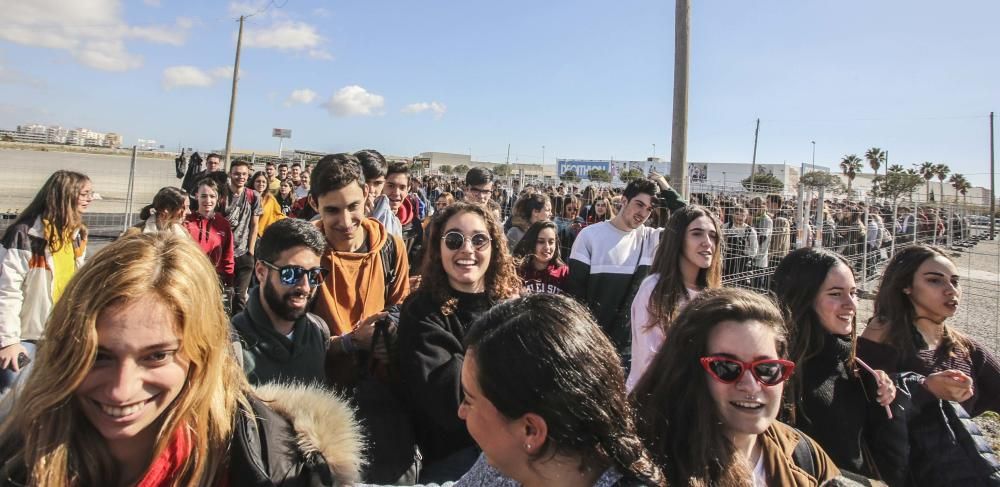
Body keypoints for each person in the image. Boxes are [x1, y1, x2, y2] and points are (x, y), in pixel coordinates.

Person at [0, 233, 364, 486]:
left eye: (157, 356)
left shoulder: (273, 460)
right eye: (99, 355)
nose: (121, 390)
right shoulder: (16, 451)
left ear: (201, 354)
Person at [631, 288, 842, 486]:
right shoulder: (644, 468)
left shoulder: (804, 456)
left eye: (766, 369)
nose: (751, 386)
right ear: (688, 373)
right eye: (727, 368)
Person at [456, 294, 664, 486]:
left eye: (468, 399)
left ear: (531, 430)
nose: (461, 411)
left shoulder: (509, 460)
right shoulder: (502, 464)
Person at [396, 202, 520, 482]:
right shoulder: (421, 310)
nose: (467, 249)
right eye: (454, 240)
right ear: (438, 250)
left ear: (494, 247)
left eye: (479, 240)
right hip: (452, 452)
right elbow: (452, 403)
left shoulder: (508, 306)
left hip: (512, 444)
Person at [770, 248, 898, 482]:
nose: (851, 304)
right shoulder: (779, 375)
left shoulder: (852, 365)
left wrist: (878, 397)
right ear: (803, 298)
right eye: (836, 294)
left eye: (853, 292)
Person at [858, 245, 1000, 417]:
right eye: (934, 280)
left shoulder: (965, 347)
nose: (951, 290)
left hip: (956, 444)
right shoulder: (882, 333)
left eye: (954, 281)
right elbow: (864, 403)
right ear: (906, 285)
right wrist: (925, 387)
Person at [307, 154, 410, 378]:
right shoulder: (304, 255)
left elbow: (401, 306)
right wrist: (348, 342)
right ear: (314, 203)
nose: (345, 222)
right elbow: (287, 332)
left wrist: (387, 332)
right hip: (318, 391)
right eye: (332, 210)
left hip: (378, 390)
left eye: (353, 206)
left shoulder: (391, 248)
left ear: (366, 195)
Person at [567, 175, 686, 359]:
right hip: (592, 348)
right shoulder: (589, 236)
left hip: (633, 352)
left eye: (649, 209)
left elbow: (690, 221)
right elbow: (575, 296)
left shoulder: (650, 238)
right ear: (623, 200)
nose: (643, 213)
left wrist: (665, 187)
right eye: (639, 204)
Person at [0, 170, 91, 392]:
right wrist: (9, 341)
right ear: (66, 195)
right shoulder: (24, 235)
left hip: (61, 332)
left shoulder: (77, 234)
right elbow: (7, 291)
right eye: (85, 193)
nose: (90, 198)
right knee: (13, 394)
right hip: (26, 336)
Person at [626, 205, 722, 390]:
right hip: (653, 399)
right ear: (677, 239)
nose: (707, 242)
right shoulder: (654, 288)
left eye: (712, 235)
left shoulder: (713, 294)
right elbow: (649, 359)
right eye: (697, 234)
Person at [232, 218, 337, 386]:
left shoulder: (318, 331)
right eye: (291, 274)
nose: (305, 286)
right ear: (261, 272)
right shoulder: (231, 346)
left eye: (314, 275)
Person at [225, 160, 263, 315]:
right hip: (223, 253)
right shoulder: (222, 194)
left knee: (240, 296)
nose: (240, 177)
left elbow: (255, 225)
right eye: (237, 173)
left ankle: (240, 331)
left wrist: (251, 251)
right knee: (225, 294)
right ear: (230, 174)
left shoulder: (253, 195)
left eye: (244, 174)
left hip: (244, 252)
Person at [183, 177, 235, 287]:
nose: (208, 200)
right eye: (203, 196)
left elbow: (228, 256)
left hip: (214, 281)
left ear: (219, 198)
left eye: (212, 196)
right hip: (189, 279)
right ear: (197, 196)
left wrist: (229, 281)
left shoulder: (224, 224)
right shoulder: (186, 222)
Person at [383, 162, 425, 273]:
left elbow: (416, 263)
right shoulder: (367, 219)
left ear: (408, 189)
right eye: (391, 186)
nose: (396, 193)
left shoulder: (414, 225)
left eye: (402, 187)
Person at [512, 221, 569, 295]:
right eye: (541, 242)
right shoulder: (518, 270)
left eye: (551, 242)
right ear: (531, 243)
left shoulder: (563, 273)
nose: (547, 247)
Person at [123, 186, 189, 237]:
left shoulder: (183, 232)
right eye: (185, 208)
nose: (189, 212)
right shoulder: (135, 236)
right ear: (166, 211)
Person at [251, 171, 286, 239]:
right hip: (246, 235)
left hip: (263, 236)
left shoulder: (270, 198)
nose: (261, 184)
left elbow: (277, 215)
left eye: (264, 182)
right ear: (253, 182)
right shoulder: (247, 196)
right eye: (258, 181)